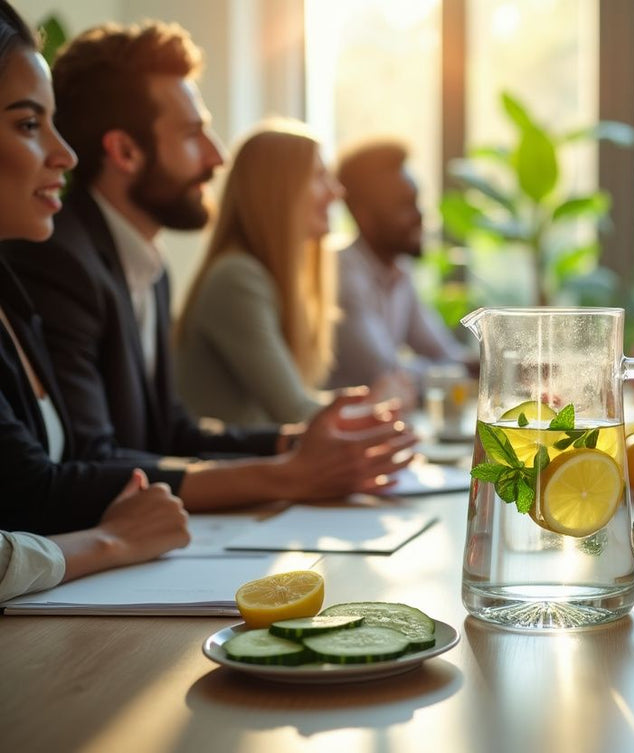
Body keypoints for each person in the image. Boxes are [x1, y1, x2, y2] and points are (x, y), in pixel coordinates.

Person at [0, 21, 415, 532]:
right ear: (125, 152)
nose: (219, 157)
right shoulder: (59, 260)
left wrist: (290, 444)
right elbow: (82, 462)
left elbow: (169, 431)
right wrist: (285, 474)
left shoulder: (144, 264)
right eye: (194, 134)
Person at [0, 0, 189, 599]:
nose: (65, 155)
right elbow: (37, 489)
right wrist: (113, 540)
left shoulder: (10, 294)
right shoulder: (57, 262)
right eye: (28, 125)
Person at [175, 122, 344, 426]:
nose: (336, 192)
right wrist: (379, 410)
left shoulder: (259, 276)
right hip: (227, 469)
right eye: (320, 177)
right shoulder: (237, 278)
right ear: (278, 191)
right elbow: (294, 412)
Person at [326, 140, 469, 405]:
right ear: (364, 217)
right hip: (346, 431)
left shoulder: (399, 271)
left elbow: (444, 353)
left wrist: (507, 368)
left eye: (417, 202)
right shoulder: (340, 274)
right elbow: (381, 372)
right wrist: (459, 374)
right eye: (405, 206)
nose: (420, 217)